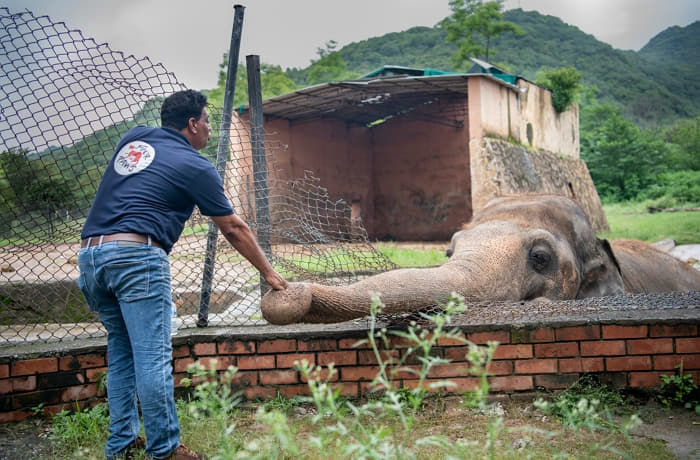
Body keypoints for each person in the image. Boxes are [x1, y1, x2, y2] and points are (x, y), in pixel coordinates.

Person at [78, 89, 287, 460]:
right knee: (152, 358)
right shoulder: (196, 166)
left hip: (92, 257)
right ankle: (165, 450)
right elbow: (234, 228)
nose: (209, 130)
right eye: (207, 122)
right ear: (192, 124)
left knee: (122, 353)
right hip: (137, 256)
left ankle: (121, 446)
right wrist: (269, 274)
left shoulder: (134, 138)